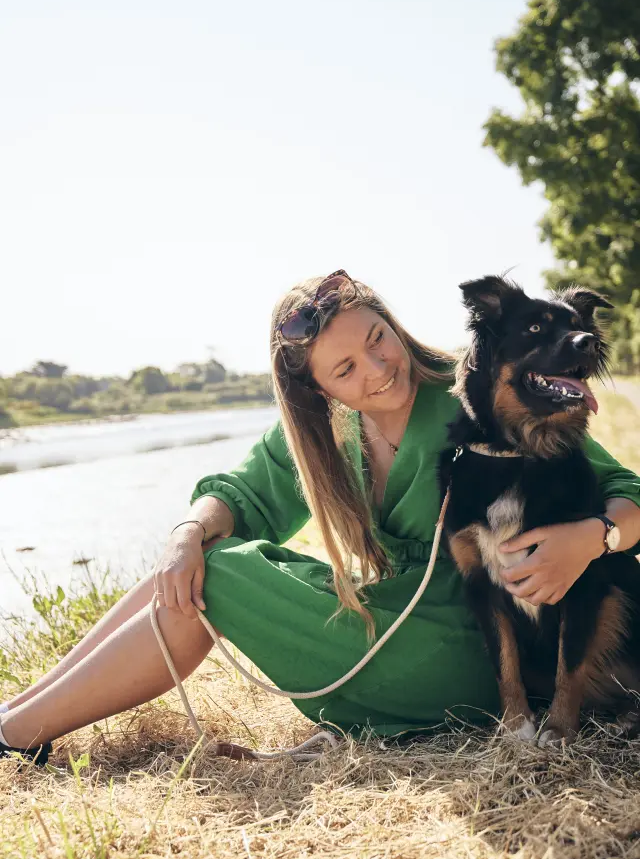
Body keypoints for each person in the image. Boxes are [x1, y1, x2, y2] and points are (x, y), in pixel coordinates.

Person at [2, 270, 640, 762]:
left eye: (377, 339)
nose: (378, 368)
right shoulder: (322, 434)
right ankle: (17, 718)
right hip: (389, 625)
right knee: (190, 563)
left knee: (218, 577)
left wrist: (593, 537)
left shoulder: (475, 392)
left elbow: (622, 487)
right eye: (345, 368)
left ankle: (20, 731)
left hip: (473, 644)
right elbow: (240, 495)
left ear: (392, 325)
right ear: (318, 390)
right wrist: (185, 533)